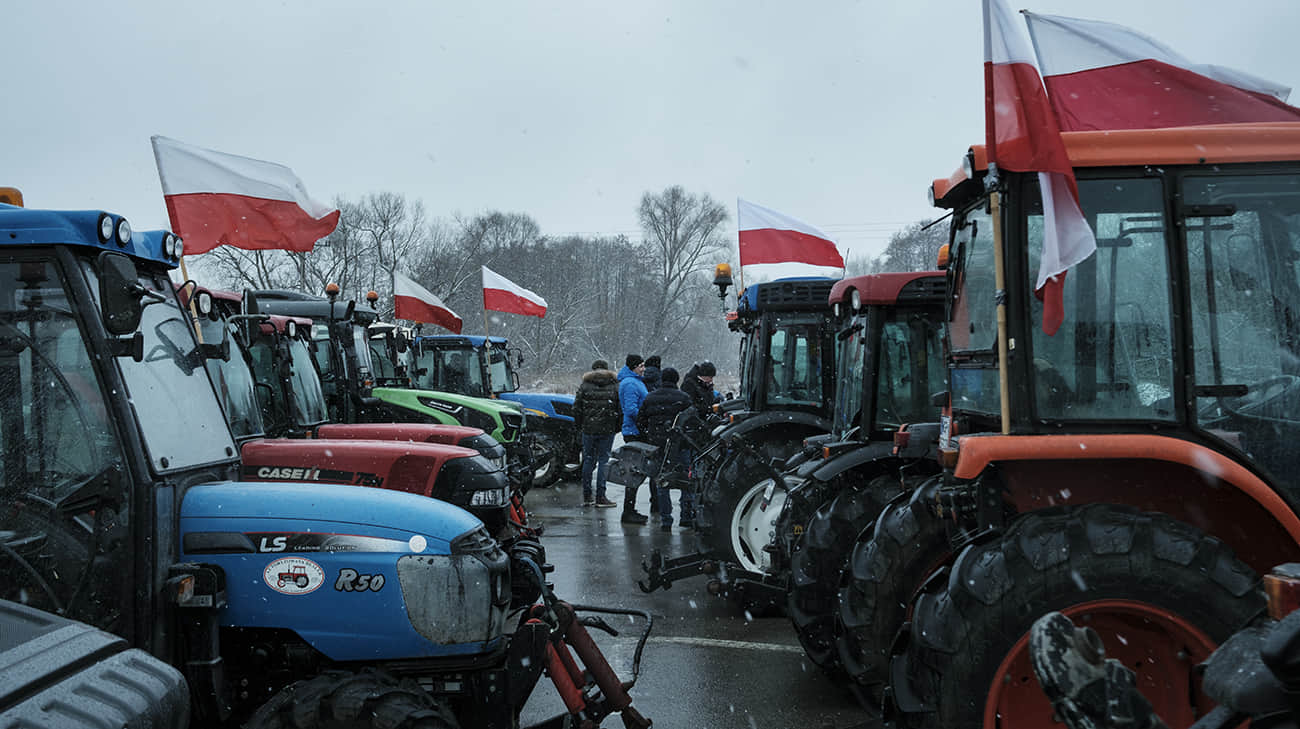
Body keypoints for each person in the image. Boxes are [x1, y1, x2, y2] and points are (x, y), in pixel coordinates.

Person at [636, 368, 695, 531]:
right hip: (680, 445)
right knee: (685, 480)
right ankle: (686, 516)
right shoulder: (683, 398)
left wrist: (650, 434)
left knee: (662, 481)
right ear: (676, 380)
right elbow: (692, 421)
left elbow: (640, 420)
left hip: (658, 446)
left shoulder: (650, 397)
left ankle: (666, 520)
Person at [572, 359, 621, 508]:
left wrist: (581, 425)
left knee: (588, 460)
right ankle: (601, 496)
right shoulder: (614, 386)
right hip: (607, 429)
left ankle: (587, 496)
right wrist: (615, 427)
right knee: (603, 461)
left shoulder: (585, 385)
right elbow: (620, 410)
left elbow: (576, 408)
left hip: (589, 429)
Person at [617, 354, 651, 525]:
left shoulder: (634, 381)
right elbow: (631, 409)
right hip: (634, 432)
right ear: (633, 367)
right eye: (641, 366)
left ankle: (630, 510)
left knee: (636, 471)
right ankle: (628, 512)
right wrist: (645, 421)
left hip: (635, 430)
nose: (643, 369)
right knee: (634, 472)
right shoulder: (630, 383)